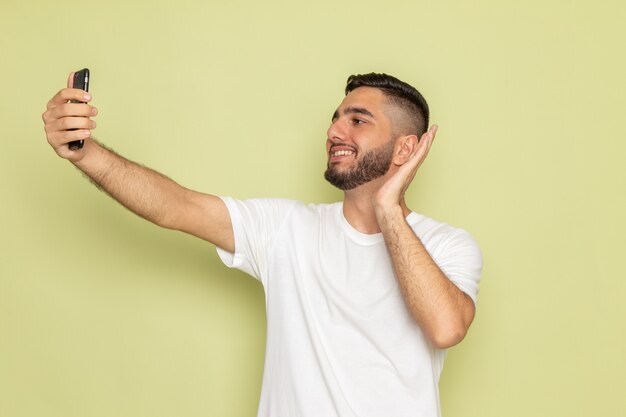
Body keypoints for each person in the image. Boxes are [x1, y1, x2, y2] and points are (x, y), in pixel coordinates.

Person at [42, 72, 482, 417]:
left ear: (406, 149)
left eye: (358, 120)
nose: (334, 131)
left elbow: (446, 328)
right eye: (335, 117)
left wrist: (387, 209)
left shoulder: (447, 245)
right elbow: (175, 207)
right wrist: (85, 154)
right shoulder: (286, 228)